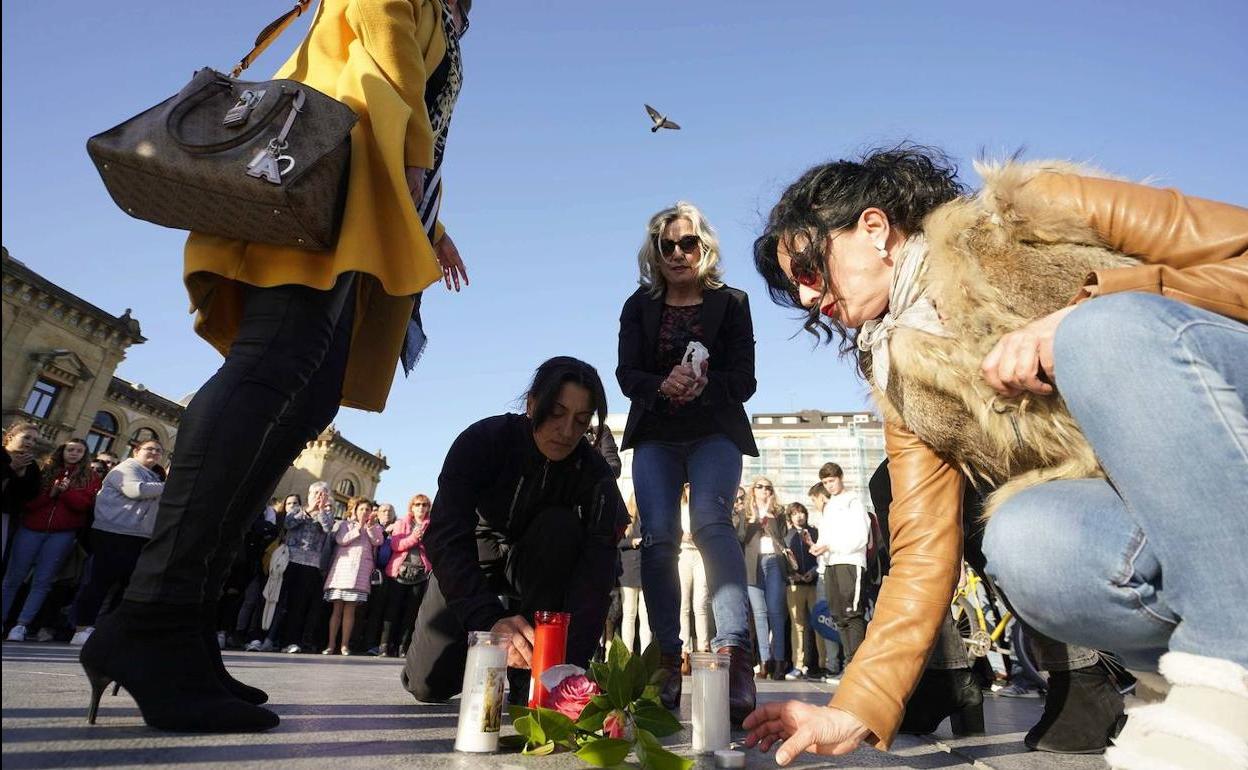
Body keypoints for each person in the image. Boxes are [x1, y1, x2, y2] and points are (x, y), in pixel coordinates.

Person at [743, 145, 1247, 769]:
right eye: (795, 292)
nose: (809, 297)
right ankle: (1173, 674)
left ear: (873, 229)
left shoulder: (1032, 210)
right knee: (1026, 538)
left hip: (1232, 416)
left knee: (1103, 334)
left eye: (811, 270)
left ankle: (1231, 671)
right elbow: (923, 549)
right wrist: (854, 707)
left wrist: (1094, 309)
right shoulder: (906, 379)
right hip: (1171, 521)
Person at [78, 0, 474, 734]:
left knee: (306, 388)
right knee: (272, 367)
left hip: (352, 174)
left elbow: (407, 92)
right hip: (320, 165)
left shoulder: (451, 12)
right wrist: (415, 177)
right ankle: (153, 617)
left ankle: (185, 622)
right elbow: (385, 57)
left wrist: (431, 219)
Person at [402, 357, 626, 704]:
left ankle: (529, 678)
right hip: (476, 556)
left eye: (581, 421)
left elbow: (596, 576)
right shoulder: (483, 441)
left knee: (560, 526)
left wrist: (568, 673)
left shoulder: (594, 474)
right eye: (556, 413)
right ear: (532, 403)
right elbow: (445, 536)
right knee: (428, 686)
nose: (566, 432)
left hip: (541, 563)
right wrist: (488, 619)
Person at [616, 202, 759, 722]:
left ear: (705, 249)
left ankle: (732, 656)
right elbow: (627, 374)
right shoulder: (638, 306)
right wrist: (661, 385)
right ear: (655, 253)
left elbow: (745, 380)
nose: (678, 253)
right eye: (667, 245)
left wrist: (703, 384)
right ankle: (665, 660)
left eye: (688, 244)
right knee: (656, 535)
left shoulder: (734, 302)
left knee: (711, 523)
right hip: (656, 434)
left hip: (714, 431)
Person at [69, 440, 165, 647]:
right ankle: (82, 627)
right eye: (150, 449)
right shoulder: (127, 468)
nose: (155, 453)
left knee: (127, 586)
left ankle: (108, 629)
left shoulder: (154, 476)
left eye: (159, 451)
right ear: (136, 451)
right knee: (98, 582)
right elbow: (136, 491)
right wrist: (171, 485)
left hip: (138, 537)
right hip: (113, 534)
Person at [3, 438, 100, 641]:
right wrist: (52, 493)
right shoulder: (45, 470)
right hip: (31, 528)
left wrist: (66, 493)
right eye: (70, 449)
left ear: (85, 454)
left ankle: (21, 625)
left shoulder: (90, 477)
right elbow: (28, 502)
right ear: (62, 451)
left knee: (43, 580)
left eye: (79, 451)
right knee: (13, 577)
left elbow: (83, 506)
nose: (74, 453)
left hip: (61, 534)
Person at [806, 463, 870, 667]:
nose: (829, 485)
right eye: (825, 482)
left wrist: (830, 546)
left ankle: (858, 664)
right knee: (838, 615)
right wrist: (817, 549)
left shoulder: (854, 502)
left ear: (841, 477)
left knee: (852, 613)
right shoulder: (830, 506)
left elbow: (861, 537)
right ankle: (850, 664)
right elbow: (826, 538)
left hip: (850, 563)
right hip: (831, 564)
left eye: (832, 480)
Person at [276, 483, 335, 654]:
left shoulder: (327, 514)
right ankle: (270, 638)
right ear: (309, 494)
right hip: (289, 560)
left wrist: (321, 510)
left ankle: (290, 641)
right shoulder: (297, 510)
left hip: (310, 565)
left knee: (298, 604)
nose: (318, 496)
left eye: (323, 494)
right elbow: (288, 524)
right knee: (280, 600)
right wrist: (309, 511)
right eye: (316, 493)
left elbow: (328, 528)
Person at [371, 494, 433, 657]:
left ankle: (403, 646)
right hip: (399, 572)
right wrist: (414, 538)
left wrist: (422, 541)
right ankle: (384, 645)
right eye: (417, 504)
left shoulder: (431, 525)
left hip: (420, 573)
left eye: (424, 505)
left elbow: (434, 549)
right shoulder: (402, 523)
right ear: (411, 507)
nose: (421, 507)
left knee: (411, 612)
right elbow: (396, 544)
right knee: (392, 610)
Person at [322, 497, 384, 655]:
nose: (365, 512)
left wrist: (369, 528)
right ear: (355, 510)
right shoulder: (345, 524)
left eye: (368, 510)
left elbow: (378, 541)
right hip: (342, 572)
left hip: (360, 574)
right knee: (337, 610)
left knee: (350, 611)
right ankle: (330, 644)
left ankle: (344, 645)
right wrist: (359, 527)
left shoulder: (375, 527)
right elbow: (341, 540)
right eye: (362, 509)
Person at [747, 476, 789, 682]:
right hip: (752, 564)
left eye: (768, 488)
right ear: (753, 490)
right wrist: (754, 519)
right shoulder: (745, 512)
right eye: (760, 487)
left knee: (775, 613)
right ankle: (765, 661)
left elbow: (782, 536)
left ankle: (779, 662)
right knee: (759, 614)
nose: (764, 490)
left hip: (774, 561)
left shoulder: (778, 513)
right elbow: (739, 536)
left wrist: (769, 513)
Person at [782, 502, 819, 680]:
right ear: (790, 516)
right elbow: (783, 559)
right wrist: (792, 575)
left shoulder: (814, 532)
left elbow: (820, 556)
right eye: (795, 513)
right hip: (794, 586)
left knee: (818, 624)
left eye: (802, 512)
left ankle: (821, 665)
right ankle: (798, 664)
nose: (799, 516)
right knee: (798, 626)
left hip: (813, 584)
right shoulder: (786, 535)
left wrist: (813, 572)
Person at [676, 484, 711, 671]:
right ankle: (685, 651)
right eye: (688, 487)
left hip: (701, 555)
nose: (691, 490)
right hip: (683, 554)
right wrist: (683, 535)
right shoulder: (679, 508)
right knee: (684, 604)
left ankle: (703, 648)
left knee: (701, 603)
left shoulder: (703, 508)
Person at [2, 422, 44, 569]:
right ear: (10, 436)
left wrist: (21, 476)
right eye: (27, 437)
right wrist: (10, 468)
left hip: (6, 518)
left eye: (34, 440)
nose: (30, 443)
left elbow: (31, 495)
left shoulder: (31, 465)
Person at [618, 495, 650, 655]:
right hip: (628, 572)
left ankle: (645, 653)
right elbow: (617, 541)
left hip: (644, 572)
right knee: (629, 614)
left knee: (645, 616)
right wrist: (631, 542)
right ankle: (627, 653)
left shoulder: (648, 520)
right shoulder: (626, 520)